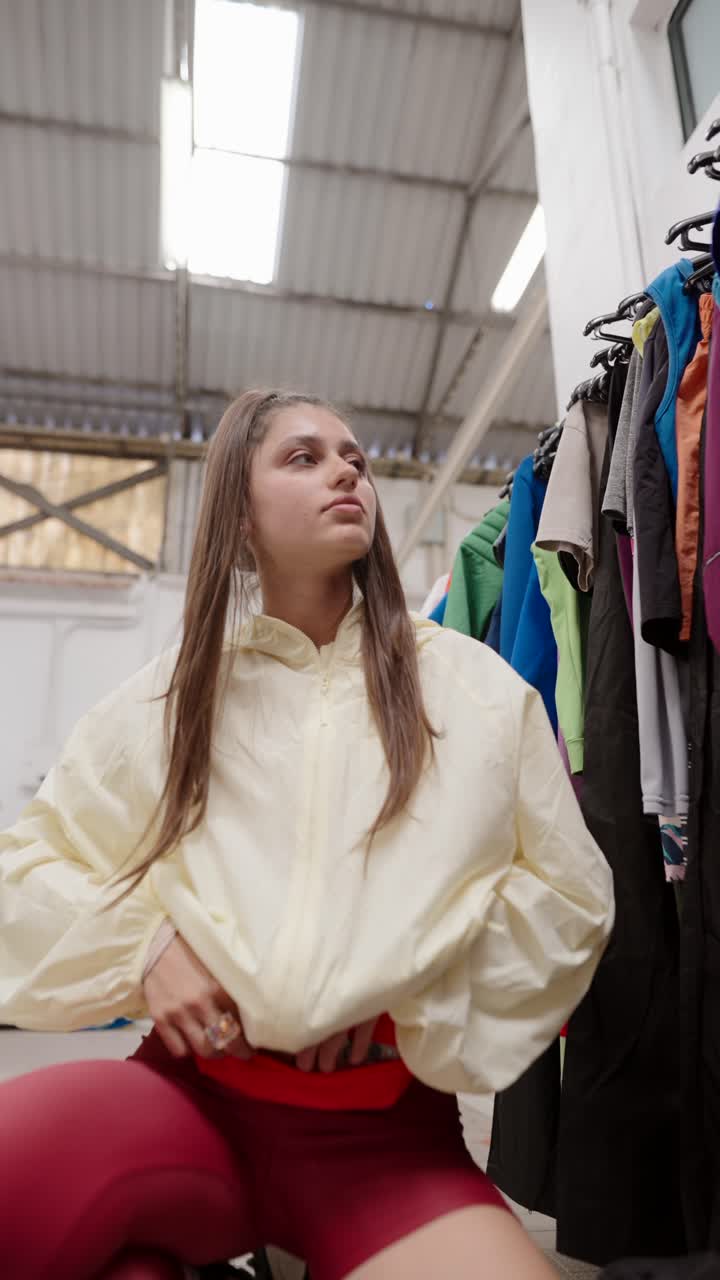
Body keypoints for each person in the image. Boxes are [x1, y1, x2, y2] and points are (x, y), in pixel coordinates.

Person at [0, 390, 614, 1280]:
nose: (346, 470)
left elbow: (569, 895)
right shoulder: (171, 697)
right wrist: (148, 947)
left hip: (386, 1145)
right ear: (240, 517)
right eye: (303, 457)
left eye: (354, 457)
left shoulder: (473, 691)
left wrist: (409, 987)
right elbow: (27, 868)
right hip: (188, 1102)